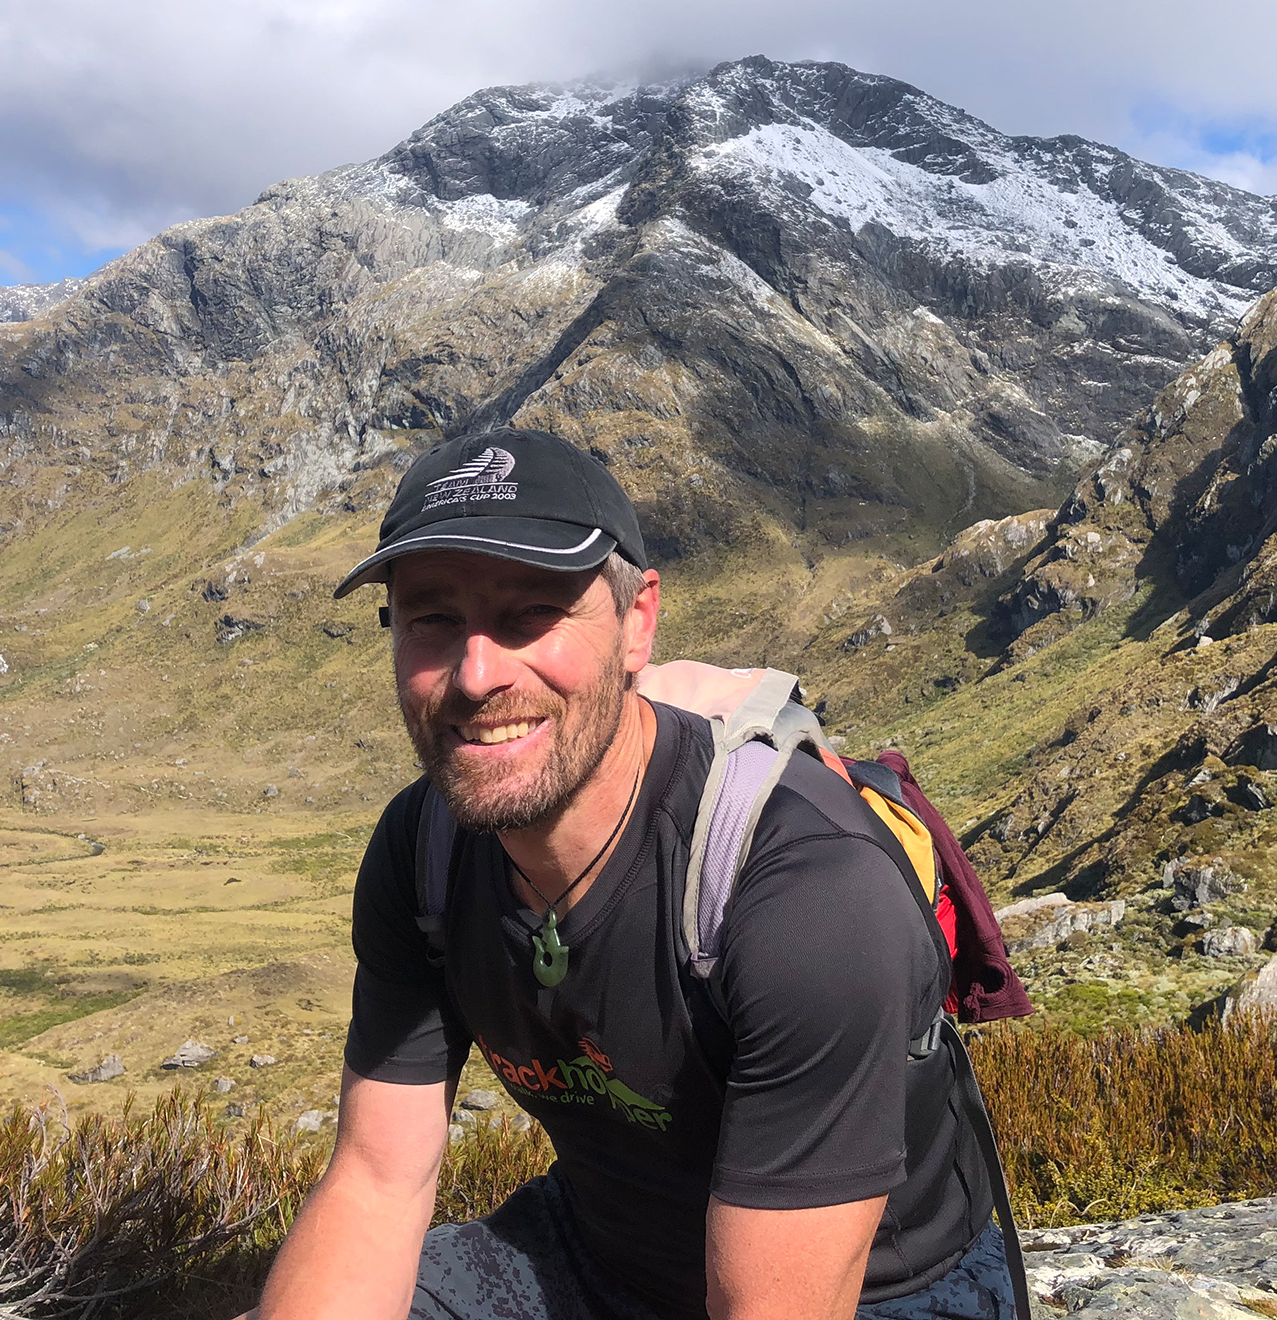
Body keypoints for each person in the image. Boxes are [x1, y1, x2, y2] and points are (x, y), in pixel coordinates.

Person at [251, 429, 1014, 1320]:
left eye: (532, 612)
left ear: (637, 623)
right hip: (597, 1248)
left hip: (877, 1291)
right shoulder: (424, 851)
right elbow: (377, 1183)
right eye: (431, 618)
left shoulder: (810, 895)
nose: (476, 674)